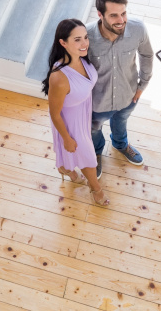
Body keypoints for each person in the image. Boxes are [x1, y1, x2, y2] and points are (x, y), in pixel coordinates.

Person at [43, 18, 109, 206]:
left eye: (85, 37)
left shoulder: (82, 58)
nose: (85, 43)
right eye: (77, 39)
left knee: (80, 152)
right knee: (88, 156)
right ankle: (96, 189)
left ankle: (65, 168)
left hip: (83, 111)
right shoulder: (59, 78)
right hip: (69, 123)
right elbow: (55, 114)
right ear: (63, 43)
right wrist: (67, 138)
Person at [87, 0, 153, 171]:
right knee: (93, 130)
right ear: (100, 15)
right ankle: (96, 151)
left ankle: (120, 144)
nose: (121, 20)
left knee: (121, 122)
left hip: (128, 96)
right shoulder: (86, 36)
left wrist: (142, 85)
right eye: (114, 15)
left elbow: (147, 55)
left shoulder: (138, 28)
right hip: (96, 102)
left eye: (123, 13)